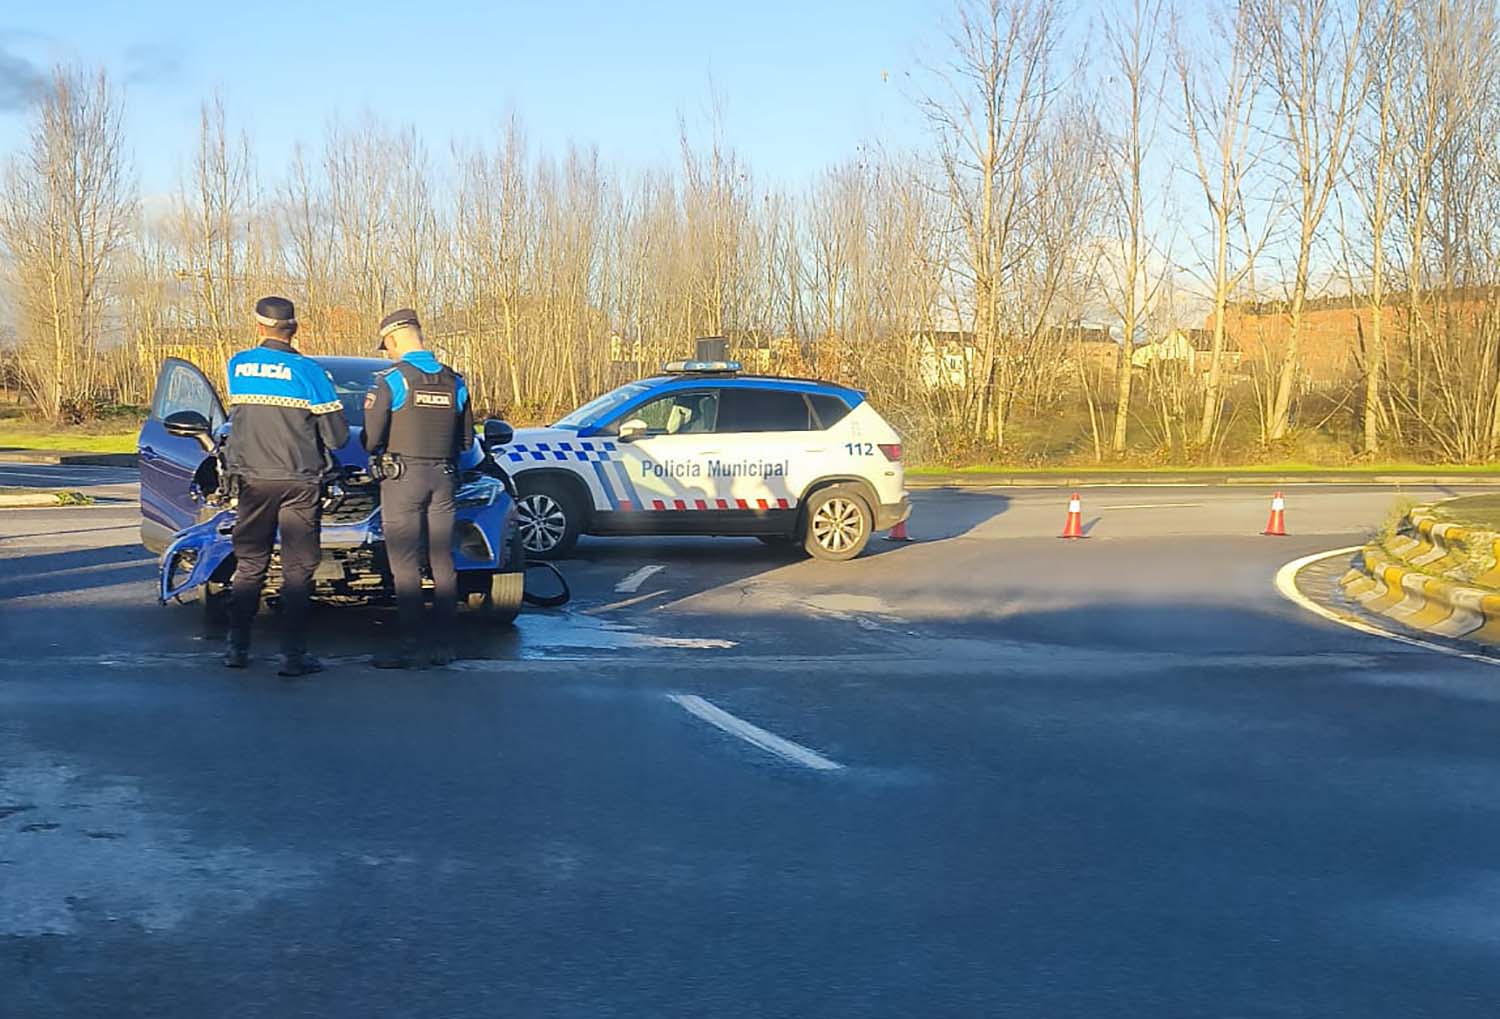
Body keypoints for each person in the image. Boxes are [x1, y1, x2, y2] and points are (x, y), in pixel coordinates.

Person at [222, 296, 349, 677]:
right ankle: (293, 656)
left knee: (249, 563)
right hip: (299, 479)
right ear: (295, 328)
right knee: (299, 567)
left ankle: (237, 647)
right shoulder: (309, 371)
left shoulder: (237, 366)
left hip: (252, 479)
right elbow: (338, 437)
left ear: (258, 326)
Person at [362, 308, 474, 668]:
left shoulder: (394, 380)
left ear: (394, 340)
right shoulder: (456, 381)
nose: (389, 353)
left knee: (406, 565)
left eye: (388, 347)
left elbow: (371, 439)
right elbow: (467, 440)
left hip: (403, 479)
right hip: (443, 478)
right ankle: (444, 647)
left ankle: (409, 647)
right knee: (443, 561)